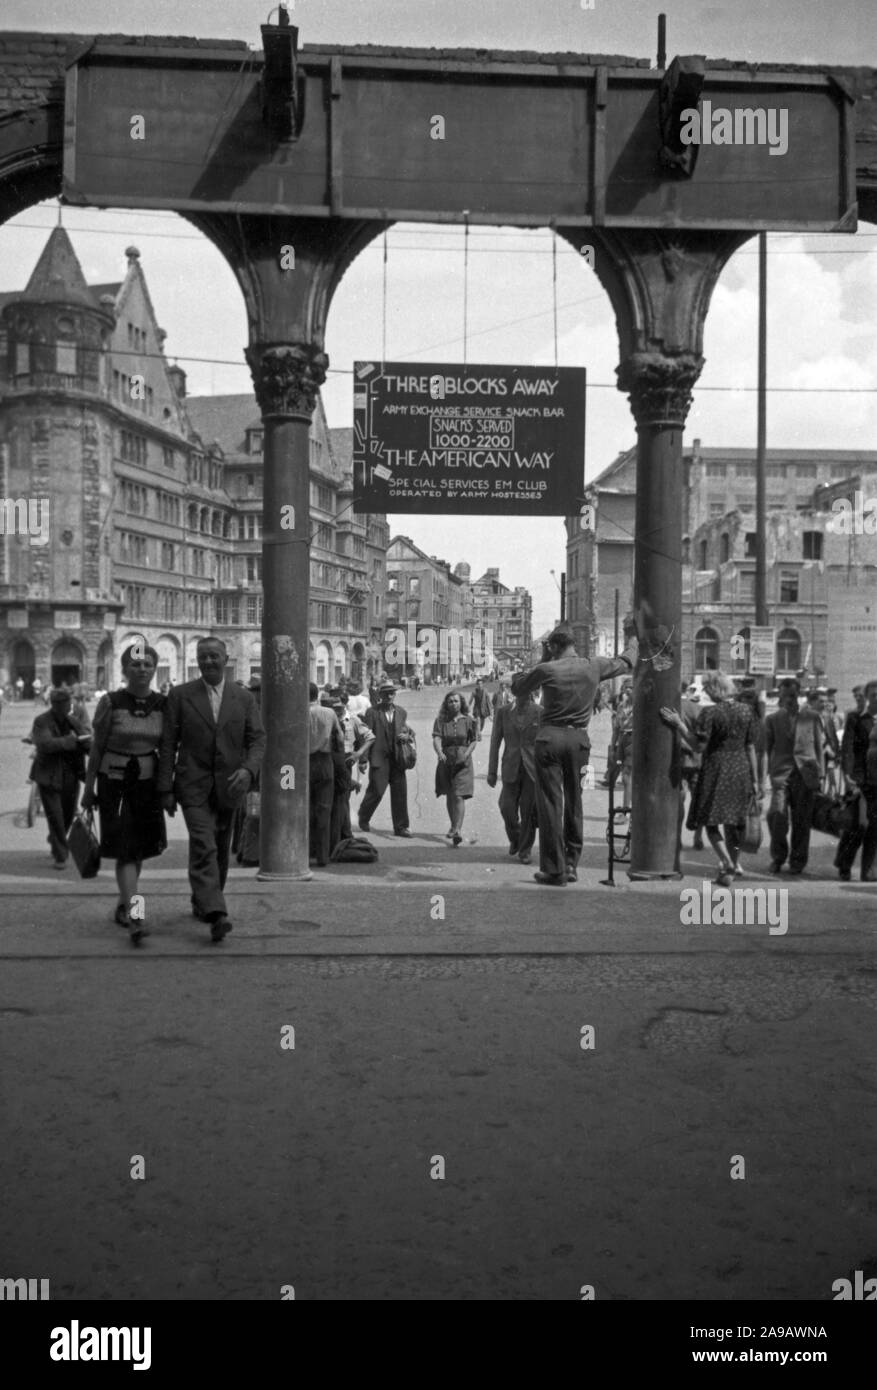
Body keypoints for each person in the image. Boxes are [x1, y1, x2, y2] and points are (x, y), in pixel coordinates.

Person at [511, 620, 637, 886]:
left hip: (548, 741)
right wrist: (635, 639)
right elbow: (626, 662)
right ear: (574, 645)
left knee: (550, 804)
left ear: (554, 646)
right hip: (580, 742)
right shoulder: (593, 665)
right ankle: (571, 864)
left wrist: (544, 659)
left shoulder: (547, 668)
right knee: (575, 801)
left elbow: (518, 687)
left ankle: (554, 869)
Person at [157, 636, 266, 942]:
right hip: (192, 784)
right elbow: (168, 744)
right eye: (202, 656)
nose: (208, 661)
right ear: (197, 659)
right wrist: (165, 788)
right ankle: (216, 913)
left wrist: (248, 770)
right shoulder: (180, 695)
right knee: (204, 843)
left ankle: (201, 900)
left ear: (226, 658)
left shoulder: (242, 698)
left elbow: (257, 739)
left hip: (230, 786)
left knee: (217, 848)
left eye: (214, 656)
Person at [81, 644, 166, 944]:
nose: (142, 669)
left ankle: (123, 902)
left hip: (147, 786)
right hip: (114, 785)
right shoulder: (111, 702)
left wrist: (167, 789)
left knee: (138, 850)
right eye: (135, 664)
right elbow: (97, 747)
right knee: (127, 850)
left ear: (155, 669)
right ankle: (136, 913)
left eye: (147, 665)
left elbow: (167, 750)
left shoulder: (162, 704)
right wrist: (88, 787)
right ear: (124, 669)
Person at [661, 670, 760, 888]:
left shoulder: (711, 714)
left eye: (707, 688)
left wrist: (679, 724)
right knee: (735, 822)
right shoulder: (747, 712)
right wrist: (756, 780)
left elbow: (698, 746)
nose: (705, 691)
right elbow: (751, 746)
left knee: (710, 821)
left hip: (716, 769)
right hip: (741, 769)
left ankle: (726, 862)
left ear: (716, 689)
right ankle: (732, 866)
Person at [763, 677, 824, 876]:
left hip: (805, 774)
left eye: (792, 694)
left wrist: (820, 775)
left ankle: (797, 861)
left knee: (802, 820)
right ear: (780, 695)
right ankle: (778, 856)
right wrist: (764, 777)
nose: (789, 698)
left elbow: (818, 748)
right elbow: (766, 750)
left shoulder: (812, 717)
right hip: (781, 774)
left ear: (798, 694)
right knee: (776, 815)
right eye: (785, 694)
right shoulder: (772, 719)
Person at [30, 687, 91, 868]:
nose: (66, 707)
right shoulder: (42, 721)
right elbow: (45, 744)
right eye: (62, 704)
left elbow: (87, 741)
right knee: (55, 817)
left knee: (67, 814)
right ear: (54, 705)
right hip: (48, 776)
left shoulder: (73, 721)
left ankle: (55, 838)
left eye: (67, 704)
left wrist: (93, 749)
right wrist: (69, 742)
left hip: (71, 776)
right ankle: (61, 855)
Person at [487, 686, 541, 864]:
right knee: (506, 807)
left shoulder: (540, 712)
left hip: (532, 769)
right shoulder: (503, 712)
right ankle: (516, 838)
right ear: (514, 692)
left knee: (528, 811)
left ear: (531, 692)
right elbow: (495, 741)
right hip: (510, 766)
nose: (523, 695)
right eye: (520, 691)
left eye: (526, 690)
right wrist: (492, 772)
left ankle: (525, 850)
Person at [358, 681, 413, 836]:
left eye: (392, 693)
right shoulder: (372, 712)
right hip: (379, 757)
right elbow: (365, 736)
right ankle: (364, 816)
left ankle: (401, 827)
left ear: (395, 694)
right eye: (386, 693)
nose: (389, 696)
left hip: (397, 759)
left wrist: (407, 735)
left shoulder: (401, 712)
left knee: (400, 793)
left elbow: (409, 731)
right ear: (380, 695)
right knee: (376, 791)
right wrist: (363, 759)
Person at [835, 678, 877, 883]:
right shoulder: (856, 718)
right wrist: (849, 777)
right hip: (861, 781)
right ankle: (844, 863)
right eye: (873, 695)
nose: (876, 698)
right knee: (860, 824)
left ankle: (869, 871)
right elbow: (848, 749)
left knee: (875, 826)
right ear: (867, 697)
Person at [330, 690, 374, 848]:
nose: (337, 711)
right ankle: (336, 835)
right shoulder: (330, 718)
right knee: (334, 800)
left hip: (346, 761)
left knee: (343, 800)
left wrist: (359, 754)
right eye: (334, 707)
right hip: (330, 761)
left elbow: (369, 737)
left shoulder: (353, 720)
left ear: (345, 705)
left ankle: (344, 833)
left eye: (340, 708)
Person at [432, 691, 478, 846]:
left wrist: (467, 753)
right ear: (446, 704)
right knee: (450, 794)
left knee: (459, 795)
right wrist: (439, 752)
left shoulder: (469, 720)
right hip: (446, 759)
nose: (453, 704)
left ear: (461, 703)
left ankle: (457, 829)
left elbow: (473, 741)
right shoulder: (441, 721)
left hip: (463, 760)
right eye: (450, 701)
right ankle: (453, 825)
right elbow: (437, 738)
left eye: (456, 701)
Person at [309, 684, 344, 866]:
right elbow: (339, 739)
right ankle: (323, 856)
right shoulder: (329, 713)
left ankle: (305, 852)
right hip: (325, 763)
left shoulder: (297, 712)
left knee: (303, 807)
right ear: (317, 695)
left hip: (300, 765)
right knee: (324, 810)